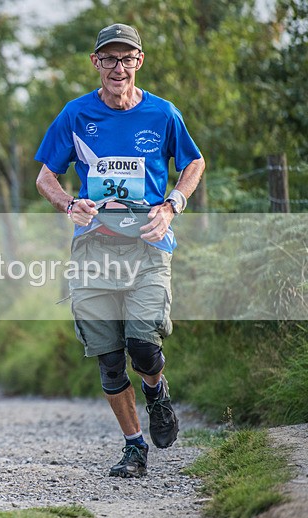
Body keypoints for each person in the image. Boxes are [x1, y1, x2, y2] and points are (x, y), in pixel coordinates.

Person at [34, 23, 205, 478]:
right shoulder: (75, 115)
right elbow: (45, 176)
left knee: (143, 346)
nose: (117, 67)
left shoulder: (163, 113)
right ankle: (134, 447)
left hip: (148, 246)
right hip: (94, 249)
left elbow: (194, 161)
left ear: (139, 62)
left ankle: (157, 393)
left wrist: (172, 205)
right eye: (108, 58)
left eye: (126, 58)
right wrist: (69, 203)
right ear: (96, 63)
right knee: (110, 361)